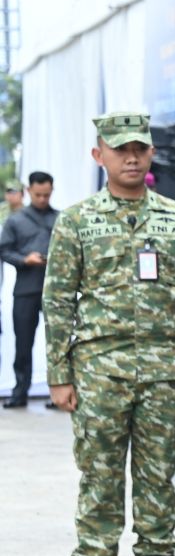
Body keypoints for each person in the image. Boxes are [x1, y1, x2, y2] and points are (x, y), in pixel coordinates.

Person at [43, 111, 175, 556]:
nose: (132, 156)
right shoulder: (77, 220)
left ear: (152, 154)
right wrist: (59, 375)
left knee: (158, 480)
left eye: (140, 147)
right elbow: (59, 303)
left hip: (165, 373)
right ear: (100, 155)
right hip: (99, 372)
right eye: (121, 149)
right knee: (99, 481)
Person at [0, 171, 59, 408]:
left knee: (58, 342)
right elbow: (3, 250)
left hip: (56, 290)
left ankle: (58, 391)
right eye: (38, 195)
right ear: (28, 191)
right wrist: (25, 259)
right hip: (26, 288)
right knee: (23, 343)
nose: (42, 199)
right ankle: (20, 391)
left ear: (51, 191)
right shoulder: (15, 220)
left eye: (46, 194)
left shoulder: (60, 218)